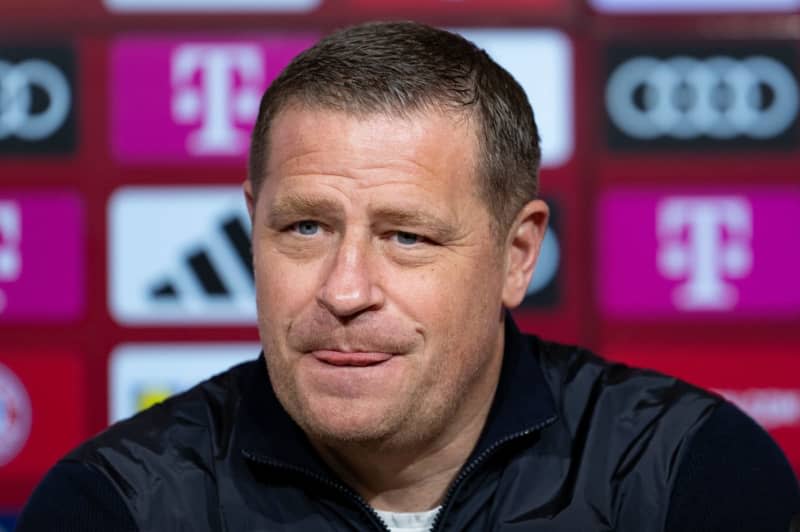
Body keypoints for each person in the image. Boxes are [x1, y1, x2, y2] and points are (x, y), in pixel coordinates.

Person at [18, 21, 800, 531]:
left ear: (517, 253)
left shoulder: (687, 480)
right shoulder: (115, 507)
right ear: (253, 227)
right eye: (305, 228)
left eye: (408, 237)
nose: (345, 290)